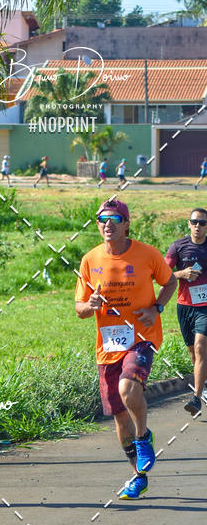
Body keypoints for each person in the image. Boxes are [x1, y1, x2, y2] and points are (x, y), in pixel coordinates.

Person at [75, 200, 176, 500]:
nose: (108, 224)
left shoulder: (147, 254)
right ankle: (138, 475)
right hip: (108, 346)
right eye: (101, 219)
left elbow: (169, 283)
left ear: (127, 223)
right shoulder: (89, 260)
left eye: (115, 218)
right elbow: (79, 308)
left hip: (141, 337)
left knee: (128, 389)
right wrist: (88, 306)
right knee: (119, 417)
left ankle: (144, 437)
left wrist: (156, 308)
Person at [165, 207, 207, 415]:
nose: (198, 226)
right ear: (189, 224)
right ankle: (203, 385)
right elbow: (162, 275)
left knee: (200, 348)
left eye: (202, 223)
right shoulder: (178, 247)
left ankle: (196, 398)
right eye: (194, 222)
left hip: (205, 308)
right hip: (184, 306)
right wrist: (181, 273)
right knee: (194, 354)